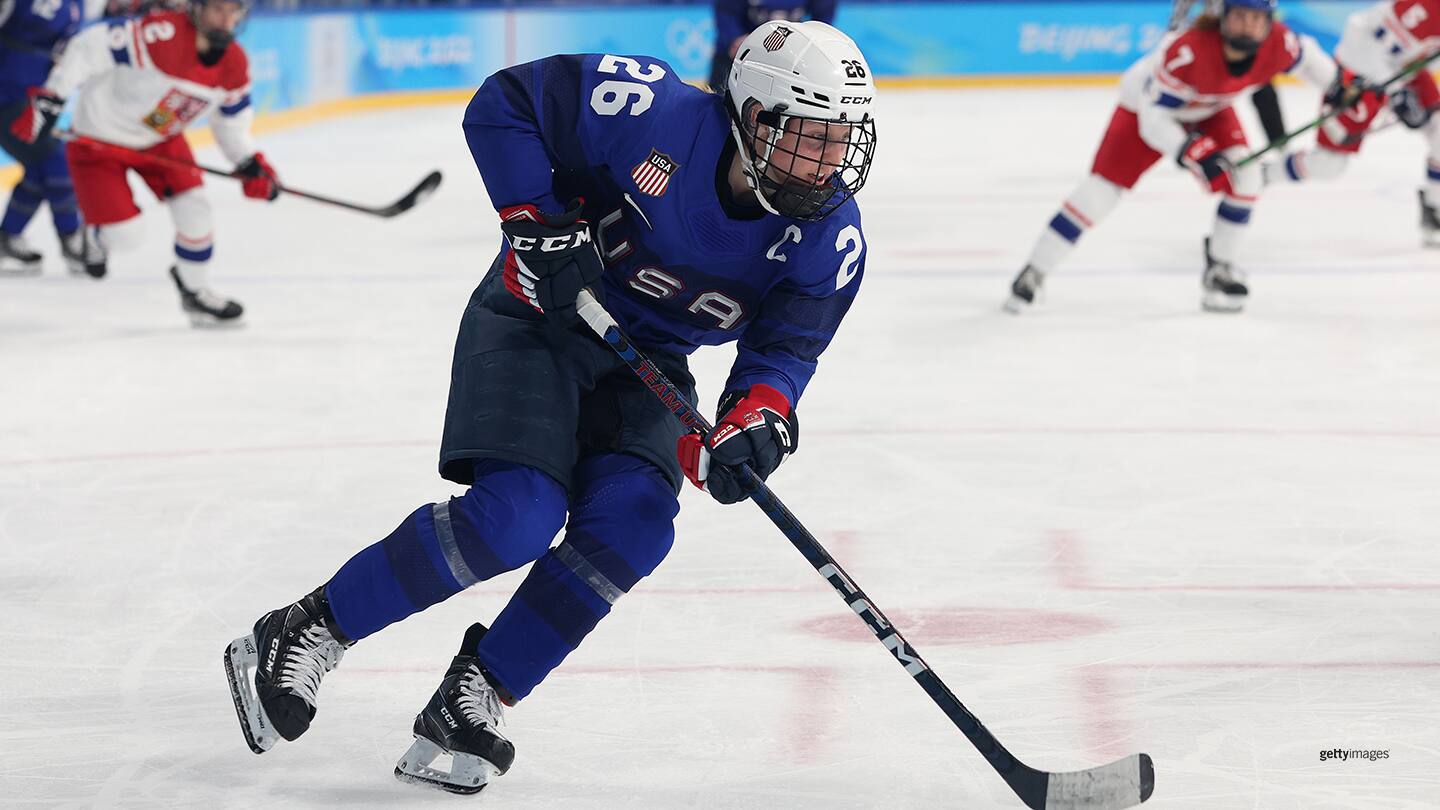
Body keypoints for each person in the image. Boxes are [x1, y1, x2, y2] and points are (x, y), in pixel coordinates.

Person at [223, 20, 877, 795]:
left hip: (648, 364)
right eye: (809, 137)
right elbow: (504, 105)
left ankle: (478, 693)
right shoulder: (649, 110)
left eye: (842, 140)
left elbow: (784, 354)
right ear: (752, 115)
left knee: (635, 525)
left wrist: (753, 422)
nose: (829, 163)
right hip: (537, 319)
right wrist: (536, 222)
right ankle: (308, 628)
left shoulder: (829, 239)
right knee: (516, 517)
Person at [1006, 0, 1338, 314]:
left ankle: (1220, 268)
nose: (1247, 26)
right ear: (1223, 16)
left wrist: (1343, 88)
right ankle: (1035, 271)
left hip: (1211, 108)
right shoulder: (1187, 53)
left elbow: (1311, 61)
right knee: (1099, 194)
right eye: (1239, 16)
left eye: (1256, 18)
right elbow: (1154, 120)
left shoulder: (1282, 43)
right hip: (1147, 110)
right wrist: (1191, 151)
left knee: (1246, 179)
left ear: (1269, 22)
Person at [6, 0, 280, 325]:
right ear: (198, 8)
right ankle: (97, 237)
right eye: (218, 9)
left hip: (159, 139)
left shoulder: (234, 64)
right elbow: (88, 45)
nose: (226, 19)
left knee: (196, 209)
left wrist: (248, 162)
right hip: (99, 141)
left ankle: (195, 291)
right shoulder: (160, 33)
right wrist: (51, 98)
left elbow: (231, 123)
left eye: (234, 11)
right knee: (127, 237)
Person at [1261, 0, 1440, 247]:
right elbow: (1363, 34)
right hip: (1359, 73)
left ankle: (1435, 209)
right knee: (1328, 165)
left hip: (1401, 69)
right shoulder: (1424, 9)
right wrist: (1396, 92)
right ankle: (1263, 174)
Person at [0, 0, 95, 275]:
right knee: (57, 161)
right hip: (5, 94)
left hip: (35, 97)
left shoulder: (78, 4)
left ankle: (8, 236)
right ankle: (71, 237)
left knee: (42, 169)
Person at [1171, 0, 1290, 146]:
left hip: (1237, 48)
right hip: (1205, 52)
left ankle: (1280, 145)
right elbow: (1178, 20)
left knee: (1264, 91)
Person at [710, 0, 836, 91]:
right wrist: (734, 39)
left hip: (790, 57)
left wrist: (812, 41)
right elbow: (726, 11)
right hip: (737, 55)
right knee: (721, 104)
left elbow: (823, 15)